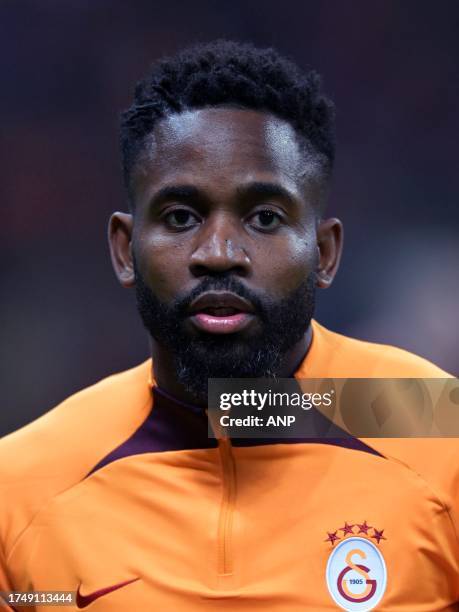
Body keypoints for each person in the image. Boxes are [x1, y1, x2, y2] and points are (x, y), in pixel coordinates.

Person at [0, 40, 457, 611]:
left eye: (265, 218)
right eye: (181, 216)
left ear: (325, 252)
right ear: (124, 250)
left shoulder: (439, 429)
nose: (218, 253)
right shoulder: (21, 487)